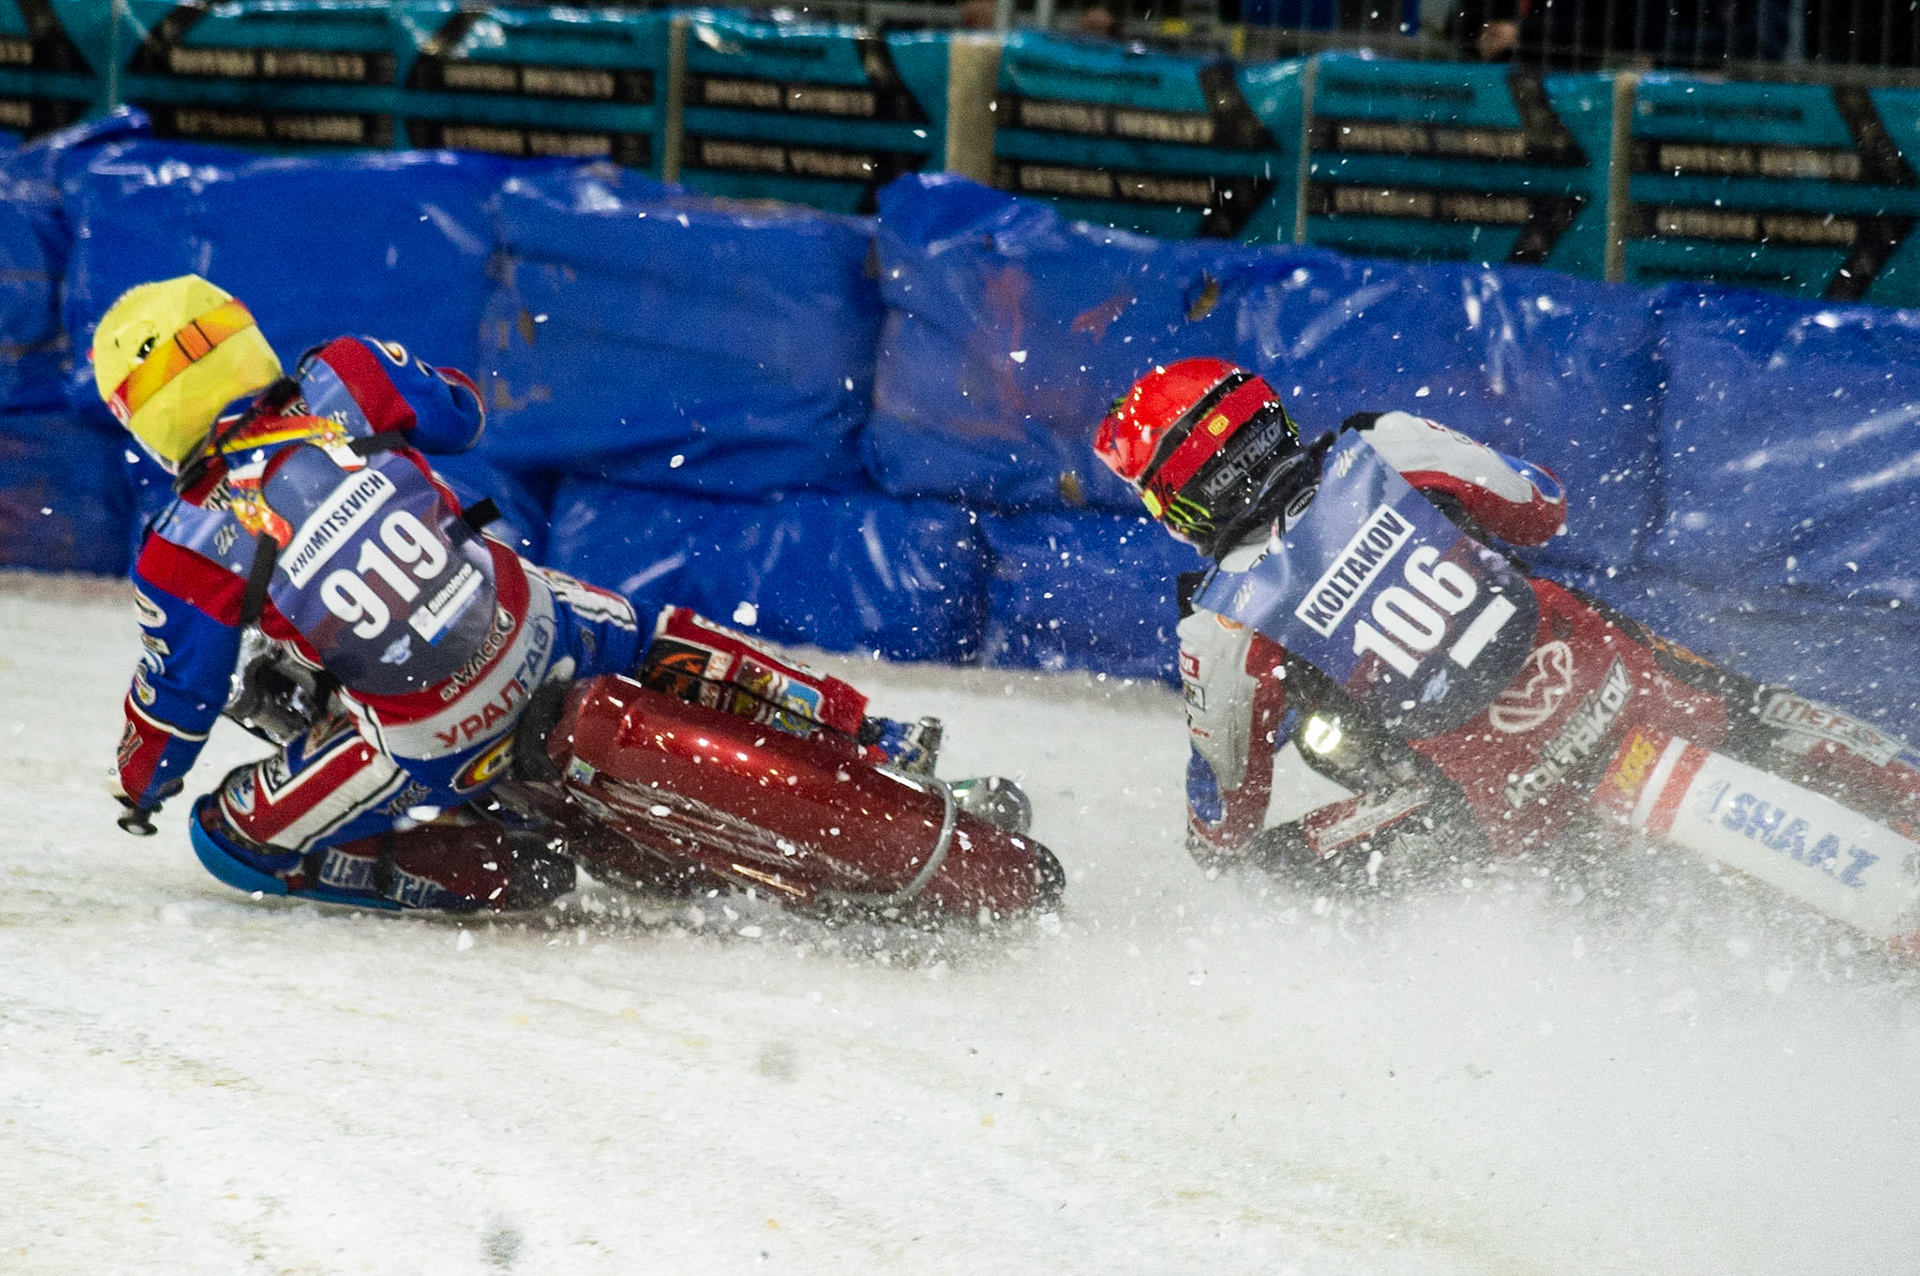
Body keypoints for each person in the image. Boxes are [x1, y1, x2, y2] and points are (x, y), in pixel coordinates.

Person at [97, 275, 940, 913]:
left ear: (145, 418)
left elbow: (178, 700)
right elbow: (460, 415)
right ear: (241, 337)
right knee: (650, 631)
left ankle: (482, 867)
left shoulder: (180, 545)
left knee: (228, 837)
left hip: (428, 742)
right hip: (531, 628)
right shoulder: (344, 375)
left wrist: (140, 788)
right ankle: (867, 732)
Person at [1093, 357, 1920, 878]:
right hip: (1606, 673)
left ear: (1177, 499)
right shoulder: (1385, 443)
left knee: (1258, 874)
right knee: (1747, 709)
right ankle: (1897, 780)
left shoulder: (1223, 624)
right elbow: (1540, 505)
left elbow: (1228, 814)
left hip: (1495, 802)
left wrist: (1209, 842)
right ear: (1268, 415)